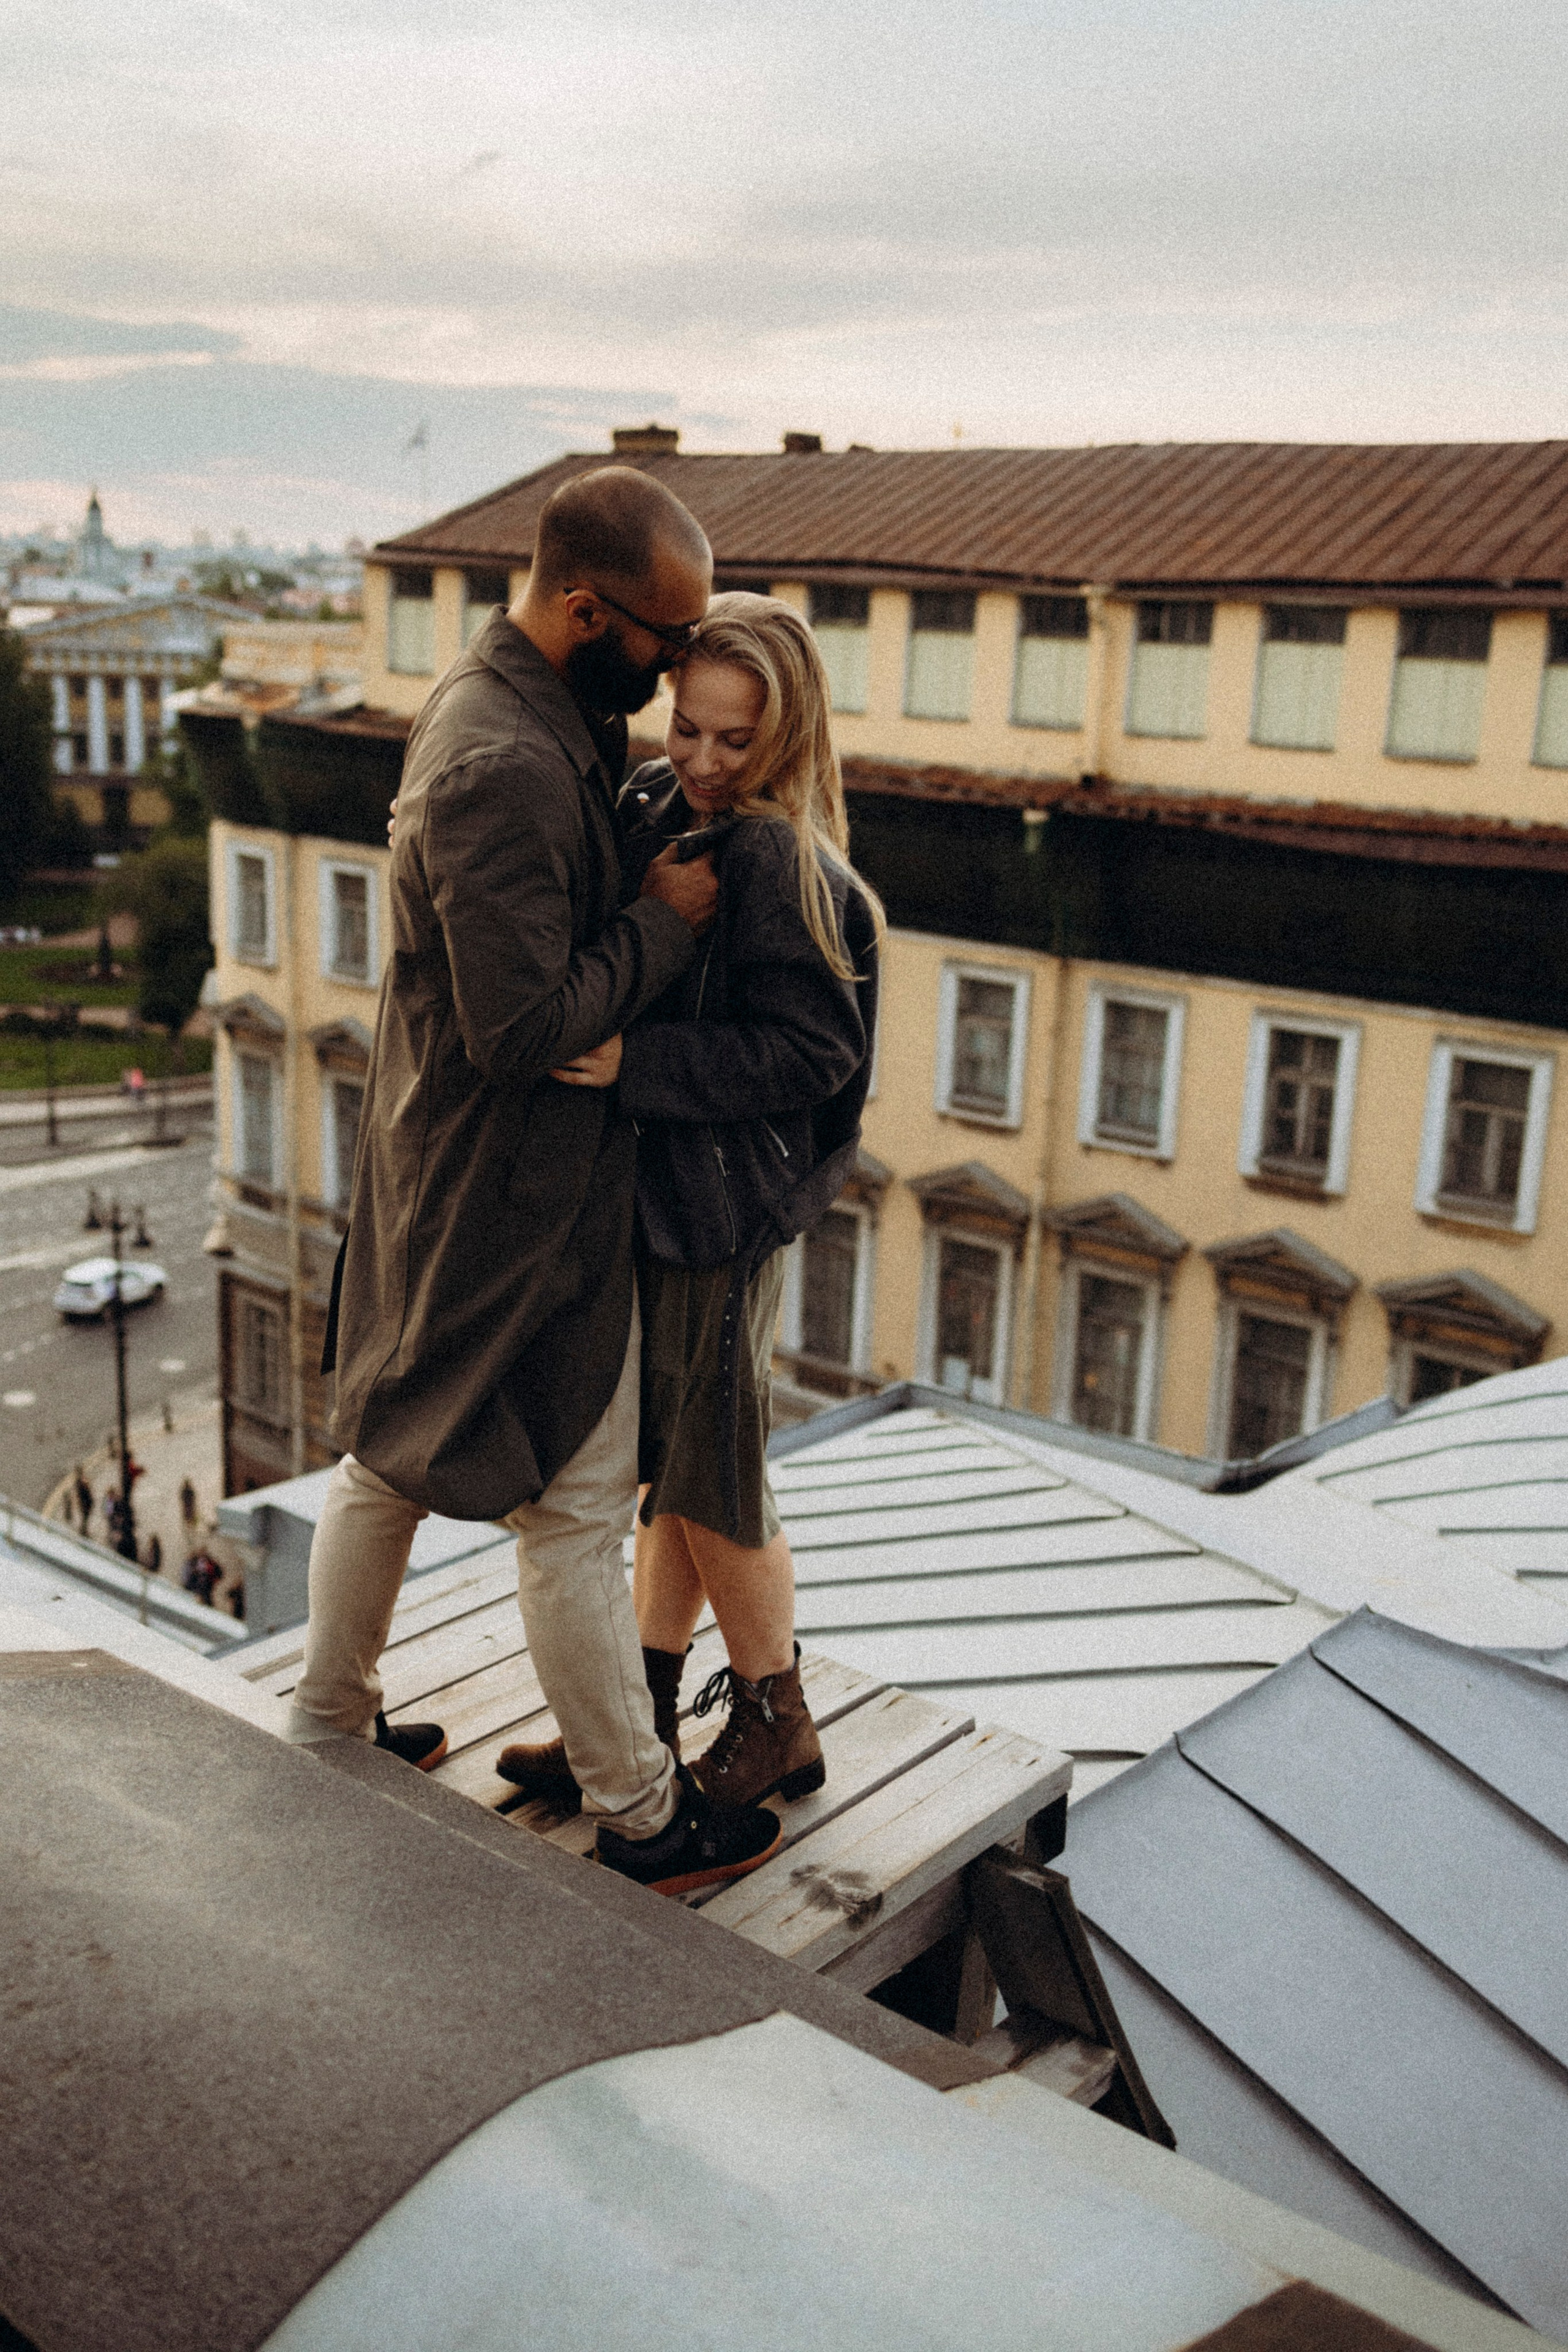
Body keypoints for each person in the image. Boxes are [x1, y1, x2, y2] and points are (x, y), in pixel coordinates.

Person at [285, 467, 783, 1898]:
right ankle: (641, 1816)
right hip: (516, 1191)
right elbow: (518, 1025)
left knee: (388, 1442)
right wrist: (660, 923)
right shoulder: (504, 755)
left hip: (454, 1173)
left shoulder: (516, 707)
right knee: (574, 1504)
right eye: (662, 634)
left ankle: (328, 1714)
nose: (677, 662)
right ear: (583, 609)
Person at [499, 593, 882, 1812]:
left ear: (786, 740)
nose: (706, 762)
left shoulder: (772, 854)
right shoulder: (659, 808)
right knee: (677, 1472)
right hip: (671, 1205)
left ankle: (778, 1719)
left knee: (714, 1478)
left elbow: (811, 1056)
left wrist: (631, 1066)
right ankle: (642, 1711)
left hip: (717, 1219)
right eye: (691, 728)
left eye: (737, 743)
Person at [73, 1466, 92, 1535]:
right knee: (85, 1517)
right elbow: (82, 1494)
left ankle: (83, 1529)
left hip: (86, 1503)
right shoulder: (80, 1483)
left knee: (85, 1518)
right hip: (85, 1503)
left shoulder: (80, 1481)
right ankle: (83, 1530)